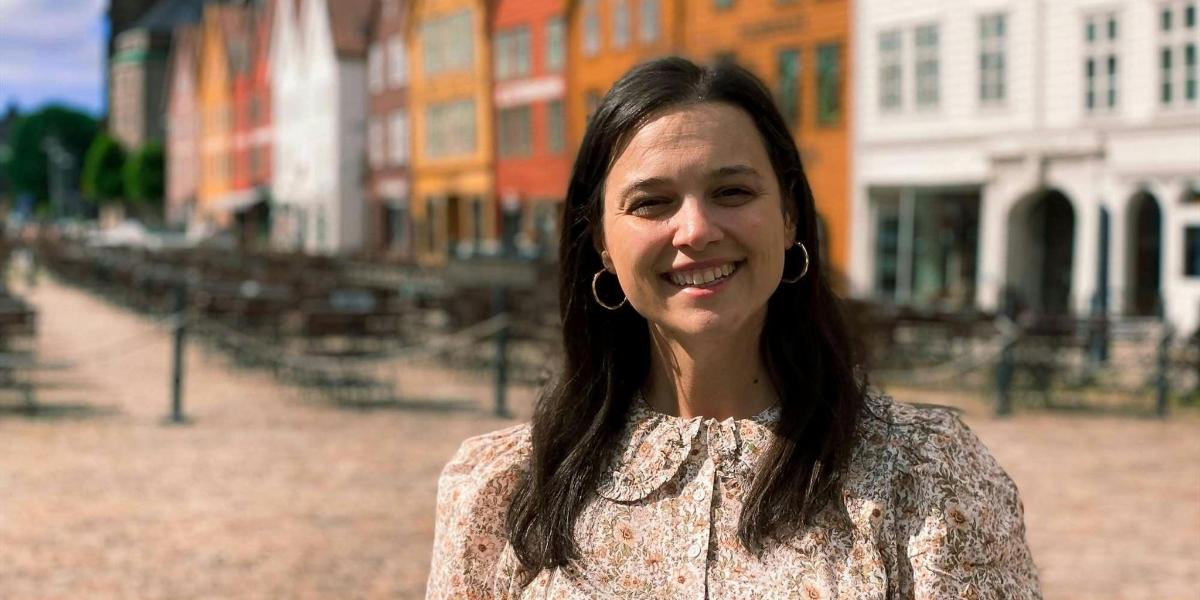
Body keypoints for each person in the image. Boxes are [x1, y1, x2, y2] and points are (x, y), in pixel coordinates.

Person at [426, 57, 1041, 599]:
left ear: (788, 215)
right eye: (651, 203)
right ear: (601, 243)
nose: (695, 229)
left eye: (732, 191)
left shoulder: (926, 475)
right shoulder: (506, 488)